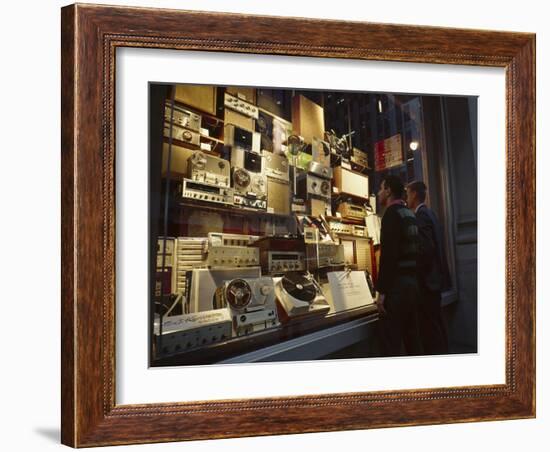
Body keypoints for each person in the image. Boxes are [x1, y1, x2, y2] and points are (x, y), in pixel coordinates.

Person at [375, 175, 422, 356]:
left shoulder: (390, 215)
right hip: (412, 286)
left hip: (396, 289)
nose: (378, 193)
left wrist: (381, 293)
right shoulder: (410, 213)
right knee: (412, 341)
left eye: (381, 188)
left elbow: (388, 257)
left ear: (388, 191)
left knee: (390, 344)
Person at [406, 180, 451, 354]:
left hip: (427, 283)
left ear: (415, 194)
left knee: (429, 332)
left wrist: (414, 272)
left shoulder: (421, 216)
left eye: (408, 193)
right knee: (437, 325)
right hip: (435, 280)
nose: (406, 197)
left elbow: (426, 249)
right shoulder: (431, 213)